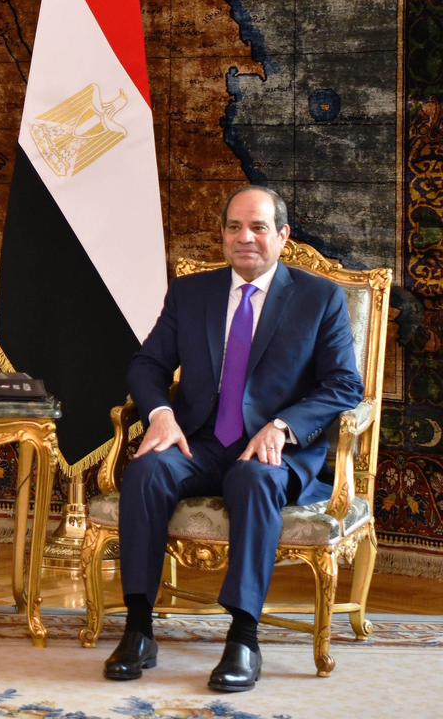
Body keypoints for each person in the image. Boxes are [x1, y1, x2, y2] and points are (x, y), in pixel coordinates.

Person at [104, 186, 363, 692]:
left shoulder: (319, 299)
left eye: (258, 227)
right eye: (234, 227)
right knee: (147, 470)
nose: (245, 237)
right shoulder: (190, 293)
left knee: (253, 479)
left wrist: (283, 425)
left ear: (282, 236)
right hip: (198, 442)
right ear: (223, 235)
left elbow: (344, 384)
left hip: (272, 449)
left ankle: (244, 638)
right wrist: (161, 414)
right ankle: (138, 629)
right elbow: (148, 364)